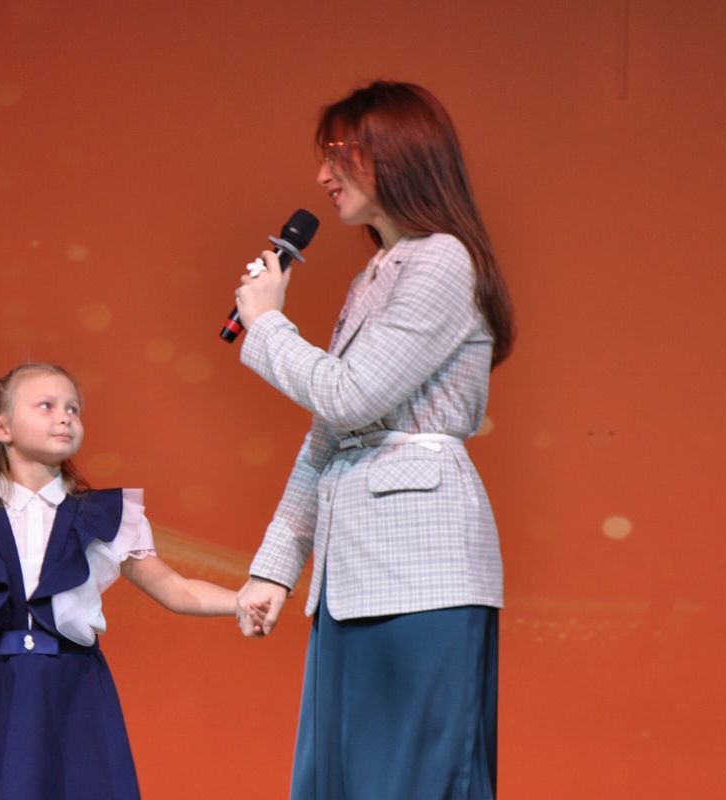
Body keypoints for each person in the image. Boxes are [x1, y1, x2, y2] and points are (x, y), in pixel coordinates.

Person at [231, 81, 515, 799]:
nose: (322, 175)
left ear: (395, 155)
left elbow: (350, 394)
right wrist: (275, 566)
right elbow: (330, 434)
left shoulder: (443, 260)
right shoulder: (375, 275)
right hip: (351, 574)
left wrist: (267, 325)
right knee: (341, 780)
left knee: (411, 780)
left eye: (337, 154)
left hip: (423, 571)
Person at [0, 363, 253, 798]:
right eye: (46, 406)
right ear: (1, 427)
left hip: (74, 695)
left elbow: (175, 589)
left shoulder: (102, 516)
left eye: (73, 409)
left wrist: (240, 601)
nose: (65, 418)